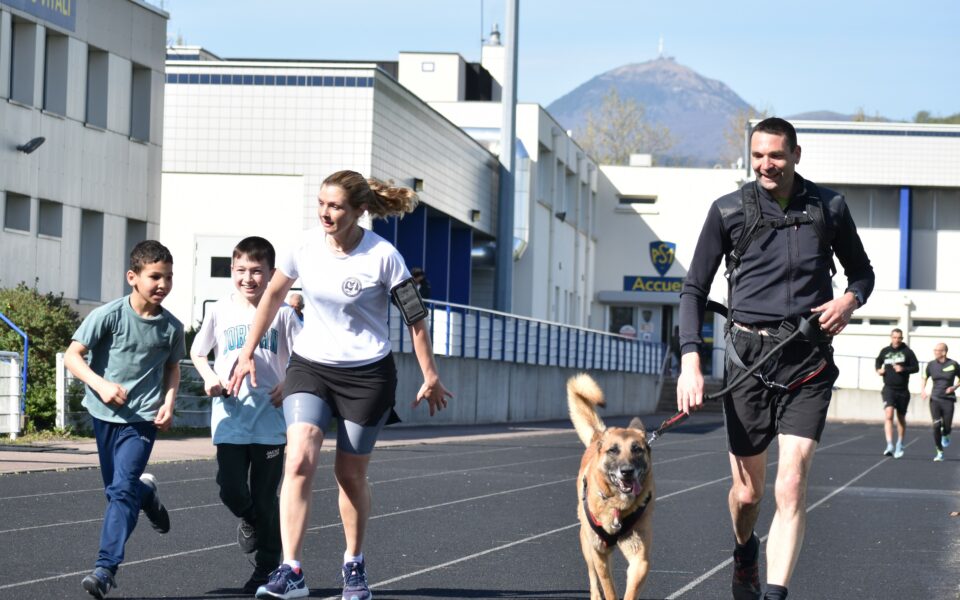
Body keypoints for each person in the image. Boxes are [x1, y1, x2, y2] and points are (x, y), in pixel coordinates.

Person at [226, 170, 452, 600]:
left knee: (349, 475)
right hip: (311, 366)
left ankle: (354, 564)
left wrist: (431, 375)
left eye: (336, 206)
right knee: (299, 460)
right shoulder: (304, 246)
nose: (326, 213)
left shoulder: (383, 256)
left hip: (367, 375)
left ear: (358, 211)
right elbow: (272, 298)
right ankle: (290, 569)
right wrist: (246, 349)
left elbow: (415, 319)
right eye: (322, 203)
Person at [676, 117, 874, 600]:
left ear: (796, 155)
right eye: (759, 155)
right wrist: (690, 359)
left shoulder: (830, 207)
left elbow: (862, 274)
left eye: (777, 155)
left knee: (790, 486)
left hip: (807, 362)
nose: (767, 164)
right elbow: (693, 289)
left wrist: (848, 301)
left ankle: (775, 594)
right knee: (748, 494)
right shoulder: (727, 211)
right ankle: (745, 551)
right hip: (747, 361)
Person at [64, 240, 186, 599]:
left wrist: (169, 402)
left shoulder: (171, 327)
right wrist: (101, 385)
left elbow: (172, 368)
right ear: (132, 277)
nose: (162, 284)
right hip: (104, 416)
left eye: (168, 277)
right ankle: (147, 493)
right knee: (118, 492)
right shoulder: (109, 315)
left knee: (120, 491)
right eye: (154, 277)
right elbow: (73, 357)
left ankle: (104, 570)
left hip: (142, 420)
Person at [190, 236, 303, 593]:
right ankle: (252, 520)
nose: (248, 278)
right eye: (241, 270)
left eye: (257, 271)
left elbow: (304, 356)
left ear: (272, 273)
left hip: (271, 420)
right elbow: (197, 352)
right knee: (231, 490)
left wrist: (287, 383)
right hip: (231, 417)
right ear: (231, 271)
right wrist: (209, 378)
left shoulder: (283, 312)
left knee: (267, 494)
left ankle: (267, 567)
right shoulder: (219, 310)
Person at [875, 328, 919, 458]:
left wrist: (903, 368)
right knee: (888, 414)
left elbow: (915, 367)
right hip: (888, 388)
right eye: (894, 337)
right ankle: (889, 445)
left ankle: (900, 443)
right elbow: (878, 361)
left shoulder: (907, 352)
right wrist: (878, 369)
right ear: (891, 337)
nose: (897, 340)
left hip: (903, 390)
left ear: (902, 338)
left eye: (899, 338)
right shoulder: (885, 351)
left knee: (900, 418)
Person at [920, 343, 959, 462]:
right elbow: (924, 377)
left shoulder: (953, 364)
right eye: (934, 350)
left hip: (948, 400)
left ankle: (946, 433)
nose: (935, 352)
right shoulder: (931, 365)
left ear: (944, 352)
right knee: (936, 425)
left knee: (946, 426)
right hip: (935, 399)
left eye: (937, 350)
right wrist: (923, 390)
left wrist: (954, 387)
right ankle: (939, 451)